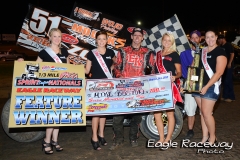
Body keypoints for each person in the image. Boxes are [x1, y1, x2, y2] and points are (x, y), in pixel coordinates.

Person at [18, 28, 67, 154]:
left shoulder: (65, 52)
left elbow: (69, 70)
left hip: (62, 89)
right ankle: (46, 140)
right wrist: (22, 64)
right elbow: (33, 69)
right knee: (51, 117)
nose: (57, 39)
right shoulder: (44, 53)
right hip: (49, 89)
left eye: (59, 36)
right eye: (54, 36)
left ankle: (55, 141)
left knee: (59, 117)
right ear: (50, 38)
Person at [110, 27, 155, 150]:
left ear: (142, 38)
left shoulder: (148, 52)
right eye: (135, 35)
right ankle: (118, 139)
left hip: (139, 90)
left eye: (139, 36)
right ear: (131, 37)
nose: (137, 37)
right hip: (123, 89)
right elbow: (116, 67)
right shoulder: (122, 51)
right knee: (118, 117)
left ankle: (133, 138)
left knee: (136, 117)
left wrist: (149, 82)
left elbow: (153, 69)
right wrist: (122, 79)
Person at [192, 30, 227, 144]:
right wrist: (190, 83)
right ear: (204, 39)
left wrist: (206, 87)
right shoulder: (202, 51)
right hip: (198, 86)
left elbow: (219, 72)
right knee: (202, 113)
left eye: (212, 37)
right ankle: (204, 136)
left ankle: (212, 137)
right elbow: (194, 67)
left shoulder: (220, 51)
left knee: (207, 113)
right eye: (207, 37)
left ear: (216, 37)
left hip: (211, 86)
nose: (210, 39)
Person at [85, 30, 116, 150]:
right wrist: (73, 70)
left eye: (104, 39)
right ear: (96, 40)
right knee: (96, 112)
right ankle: (94, 137)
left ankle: (101, 134)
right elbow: (87, 71)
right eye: (99, 39)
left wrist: (112, 69)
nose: (101, 41)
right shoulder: (92, 53)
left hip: (108, 85)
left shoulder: (111, 52)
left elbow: (116, 63)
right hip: (95, 86)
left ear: (107, 40)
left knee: (104, 111)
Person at [154, 31, 183, 143]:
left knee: (170, 113)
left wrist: (175, 77)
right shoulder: (157, 54)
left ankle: (168, 138)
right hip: (157, 86)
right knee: (157, 113)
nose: (166, 42)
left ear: (172, 42)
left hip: (169, 86)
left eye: (169, 40)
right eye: (165, 40)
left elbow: (180, 72)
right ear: (162, 41)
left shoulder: (174, 54)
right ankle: (161, 138)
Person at [180, 30, 201, 140]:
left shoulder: (205, 52)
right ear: (190, 40)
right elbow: (185, 70)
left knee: (204, 110)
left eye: (196, 37)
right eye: (192, 38)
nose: (194, 40)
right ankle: (190, 130)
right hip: (189, 83)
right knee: (190, 107)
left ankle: (207, 131)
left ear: (200, 39)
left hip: (203, 84)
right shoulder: (184, 54)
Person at [217, 34, 235, 102]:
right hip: (223, 65)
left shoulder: (228, 45)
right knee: (224, 81)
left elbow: (232, 54)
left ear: (223, 39)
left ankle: (231, 97)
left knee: (228, 80)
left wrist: (229, 62)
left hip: (228, 65)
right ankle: (225, 96)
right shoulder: (221, 46)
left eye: (219, 39)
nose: (218, 41)